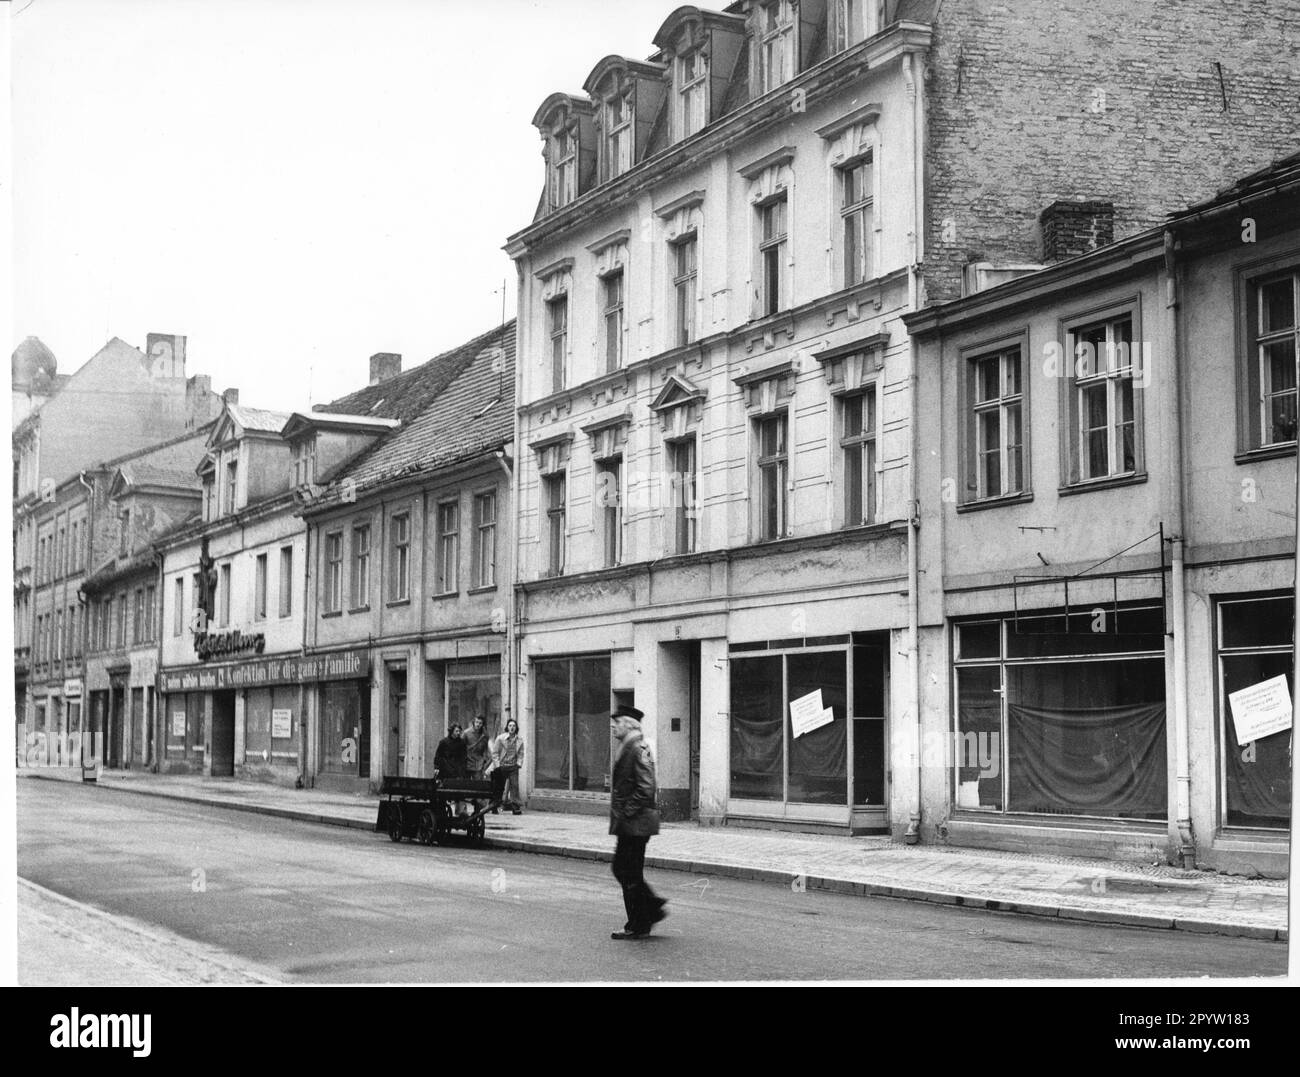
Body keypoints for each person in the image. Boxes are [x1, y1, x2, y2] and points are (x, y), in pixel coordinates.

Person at [608, 705, 667, 941]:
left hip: (636, 822)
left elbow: (647, 788)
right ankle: (650, 911)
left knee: (626, 870)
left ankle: (640, 921)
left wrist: (625, 811)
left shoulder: (639, 747)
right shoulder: (628, 746)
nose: (613, 726)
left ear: (629, 724)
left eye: (617, 722)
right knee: (626, 870)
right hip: (632, 823)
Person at [490, 718, 525, 814]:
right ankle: (494, 805)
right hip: (502, 766)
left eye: (514, 726)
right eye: (510, 726)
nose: (512, 728)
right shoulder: (500, 738)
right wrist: (497, 765)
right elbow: (495, 753)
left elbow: (521, 753)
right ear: (507, 727)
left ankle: (515, 807)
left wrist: (519, 764)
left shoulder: (519, 740)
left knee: (514, 786)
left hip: (513, 766)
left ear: (516, 728)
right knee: (499, 787)